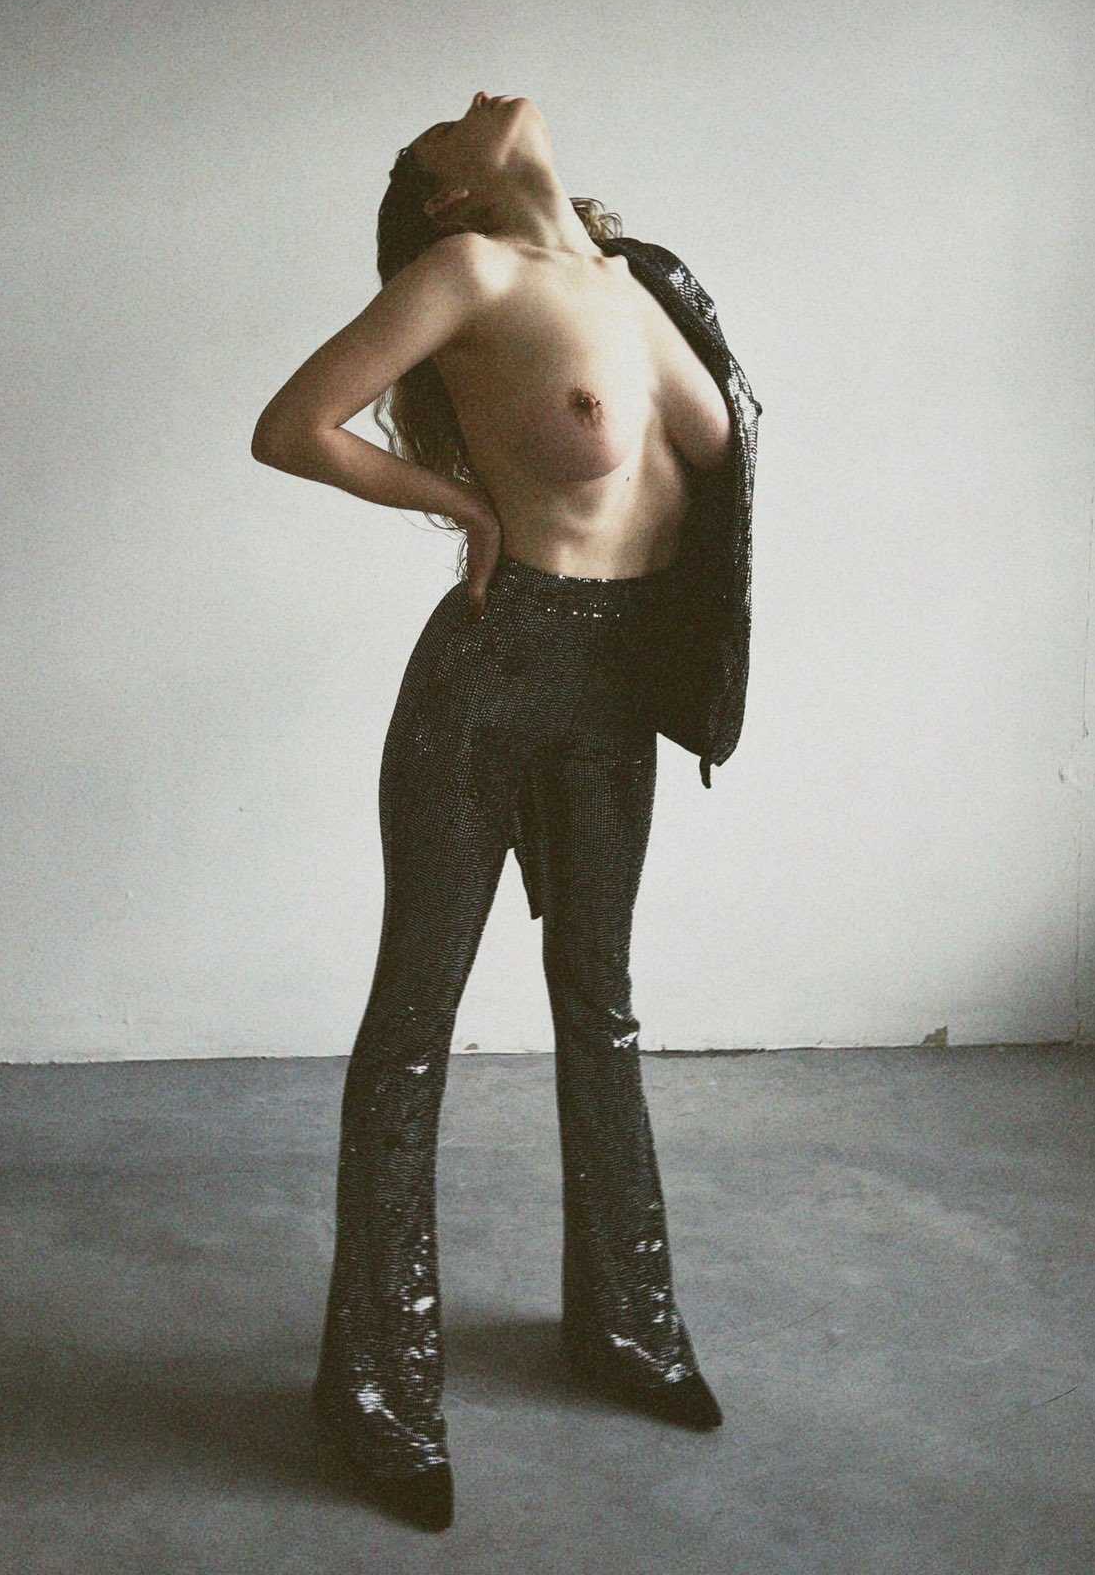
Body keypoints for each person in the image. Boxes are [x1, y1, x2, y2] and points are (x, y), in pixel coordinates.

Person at [252, 92, 755, 1532]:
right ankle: (375, 1391)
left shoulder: (641, 280)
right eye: (438, 129)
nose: (472, 100)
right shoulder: (466, 273)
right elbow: (290, 428)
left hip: (617, 688)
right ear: (445, 196)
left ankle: (627, 1326)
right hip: (493, 671)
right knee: (415, 1023)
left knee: (601, 1003)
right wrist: (468, 511)